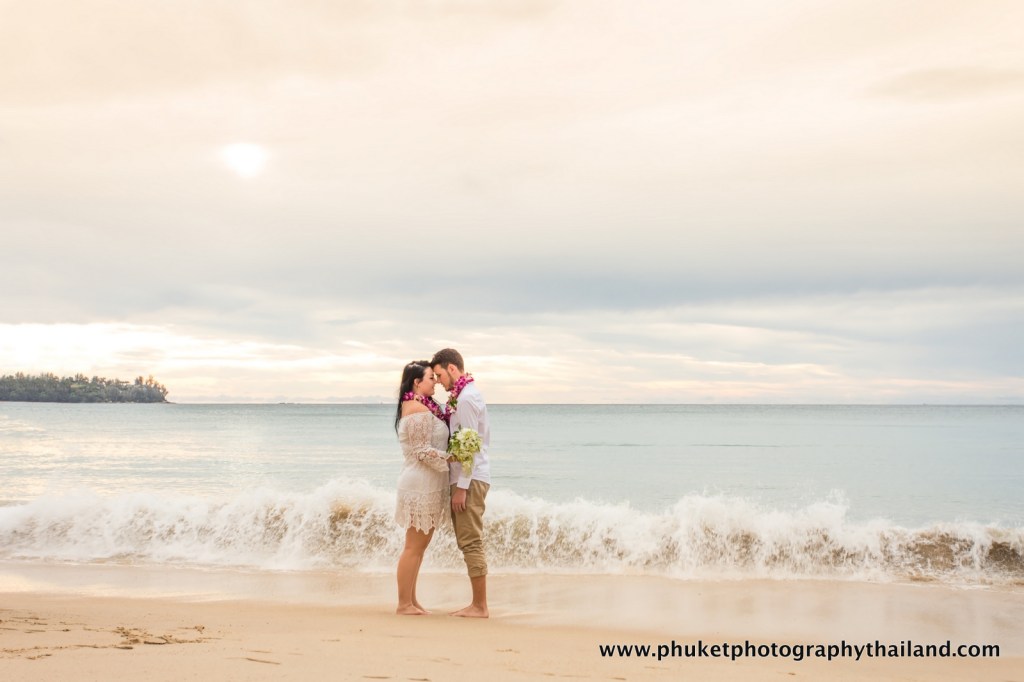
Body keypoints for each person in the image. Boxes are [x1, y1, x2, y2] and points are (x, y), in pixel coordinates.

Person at [430, 348, 490, 618]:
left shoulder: (465, 399)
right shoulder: (464, 396)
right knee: (468, 541)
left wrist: (462, 487)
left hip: (470, 479)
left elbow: (470, 446)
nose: (440, 382)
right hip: (468, 476)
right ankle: (477, 604)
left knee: (471, 541)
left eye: (440, 375)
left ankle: (480, 607)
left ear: (452, 369)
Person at [393, 361, 451, 616]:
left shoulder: (419, 406)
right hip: (419, 484)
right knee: (413, 547)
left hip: (426, 483)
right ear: (416, 382)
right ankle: (404, 603)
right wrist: (454, 458)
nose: (435, 382)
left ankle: (412, 601)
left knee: (419, 546)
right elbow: (421, 452)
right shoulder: (416, 409)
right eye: (430, 378)